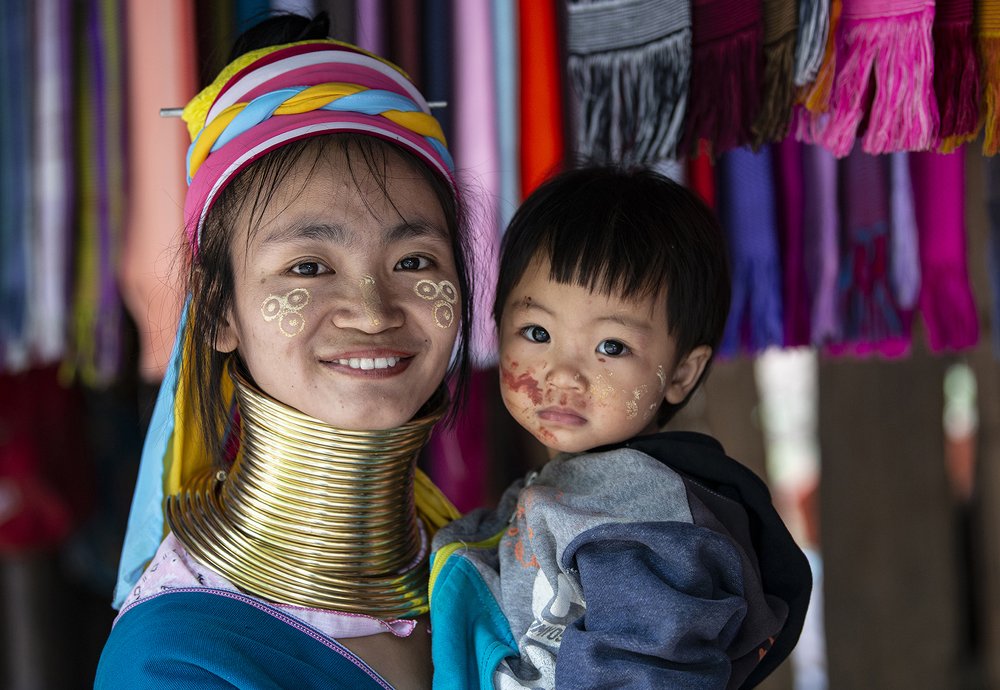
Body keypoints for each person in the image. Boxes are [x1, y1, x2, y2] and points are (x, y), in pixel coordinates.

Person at [96, 13, 473, 690]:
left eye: (414, 259)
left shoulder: (495, 573)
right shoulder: (179, 660)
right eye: (307, 267)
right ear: (217, 311)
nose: (373, 310)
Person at [429, 166, 812, 689]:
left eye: (611, 346)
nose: (562, 373)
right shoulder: (583, 487)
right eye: (536, 331)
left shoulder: (646, 523)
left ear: (681, 373)